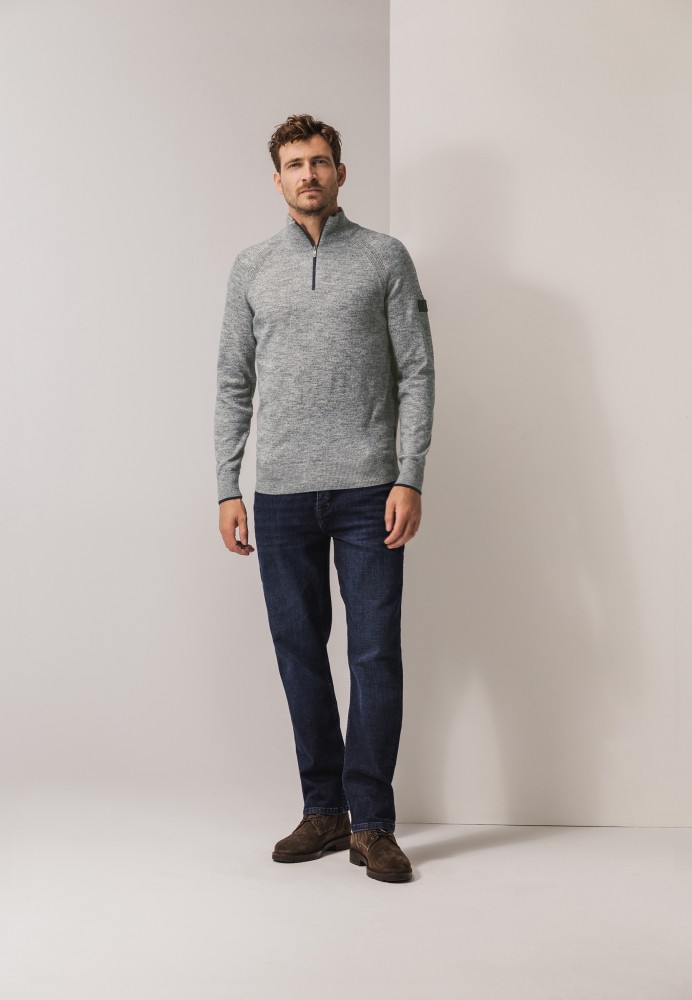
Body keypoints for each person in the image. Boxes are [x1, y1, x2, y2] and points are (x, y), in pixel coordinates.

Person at [214, 113, 435, 883]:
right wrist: (226, 485)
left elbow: (417, 371)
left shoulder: (384, 257)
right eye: (294, 164)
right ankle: (324, 809)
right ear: (276, 179)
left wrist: (409, 474)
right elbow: (232, 382)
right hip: (279, 494)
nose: (307, 174)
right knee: (300, 652)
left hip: (370, 488)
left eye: (319, 161)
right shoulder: (251, 268)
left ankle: (371, 822)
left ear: (340, 172)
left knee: (374, 655)